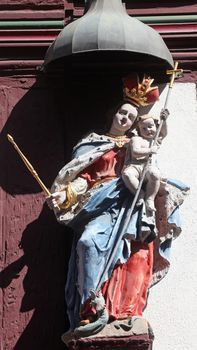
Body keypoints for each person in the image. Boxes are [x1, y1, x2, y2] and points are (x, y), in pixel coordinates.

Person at [47, 76, 188, 337]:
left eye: (131, 117)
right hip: (100, 204)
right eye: (122, 112)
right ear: (114, 113)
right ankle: (91, 308)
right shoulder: (93, 143)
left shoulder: (137, 144)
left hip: (131, 205)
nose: (124, 119)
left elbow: (151, 161)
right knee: (87, 244)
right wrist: (65, 193)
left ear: (134, 124)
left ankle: (126, 312)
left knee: (137, 255)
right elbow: (83, 178)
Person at [122, 110, 169, 214]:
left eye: (150, 126)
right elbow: (135, 152)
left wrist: (164, 120)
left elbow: (164, 132)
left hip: (148, 166)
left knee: (155, 175)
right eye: (143, 128)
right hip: (135, 165)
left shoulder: (154, 140)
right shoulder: (136, 139)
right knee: (127, 174)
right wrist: (150, 150)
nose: (148, 130)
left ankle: (150, 199)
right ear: (139, 130)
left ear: (156, 127)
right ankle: (139, 194)